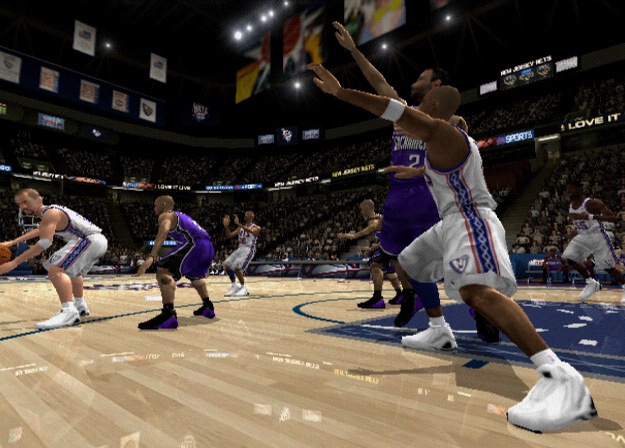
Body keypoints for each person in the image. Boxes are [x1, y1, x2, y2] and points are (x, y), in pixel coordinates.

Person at [307, 63, 597, 432]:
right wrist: (415, 173)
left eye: (421, 102)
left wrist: (341, 93)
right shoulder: (441, 144)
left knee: (476, 292)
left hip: (470, 218)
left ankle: (561, 378)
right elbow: (442, 171)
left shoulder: (439, 130)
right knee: (410, 260)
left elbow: (389, 108)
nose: (414, 106)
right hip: (450, 221)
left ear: (432, 108)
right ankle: (440, 331)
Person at [333, 21, 447, 327]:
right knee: (397, 255)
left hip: (430, 195)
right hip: (400, 195)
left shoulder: (447, 121)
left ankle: (480, 310)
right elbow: (377, 80)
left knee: (446, 259)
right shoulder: (401, 111)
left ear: (435, 85)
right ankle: (410, 296)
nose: (414, 81)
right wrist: (353, 50)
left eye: (421, 78)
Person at [0, 188, 107, 329]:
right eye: (19, 204)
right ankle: (79, 305)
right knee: (72, 272)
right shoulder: (49, 213)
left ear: (39, 199)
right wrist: (12, 242)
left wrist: (15, 262)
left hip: (89, 240)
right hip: (94, 241)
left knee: (56, 269)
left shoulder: (51, 213)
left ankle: (69, 312)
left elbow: (45, 242)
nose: (23, 206)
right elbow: (39, 230)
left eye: (25, 202)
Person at [135, 195, 215, 329]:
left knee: (164, 271)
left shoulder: (166, 215)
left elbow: (163, 231)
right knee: (194, 276)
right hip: (208, 247)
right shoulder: (182, 216)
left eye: (155, 205)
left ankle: (168, 314)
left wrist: (152, 256)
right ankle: (208, 306)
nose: (154, 209)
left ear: (163, 205)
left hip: (195, 245)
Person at [562, 178, 625, 301]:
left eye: (571, 188)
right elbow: (580, 225)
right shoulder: (571, 206)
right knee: (569, 258)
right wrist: (572, 235)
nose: (568, 191)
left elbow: (613, 218)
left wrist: (589, 216)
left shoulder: (591, 204)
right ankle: (591, 282)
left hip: (597, 236)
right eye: (567, 189)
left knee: (608, 267)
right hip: (582, 236)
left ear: (579, 189)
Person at [337, 199, 403, 307]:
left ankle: (377, 298)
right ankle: (400, 295)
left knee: (375, 267)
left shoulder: (374, 222)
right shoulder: (379, 218)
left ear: (367, 209)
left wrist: (345, 236)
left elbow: (356, 235)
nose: (361, 212)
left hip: (390, 246)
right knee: (388, 271)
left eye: (361, 209)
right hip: (393, 246)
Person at [223, 210, 260, 297]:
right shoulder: (240, 228)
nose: (245, 216)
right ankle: (234, 286)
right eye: (245, 214)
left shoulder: (257, 227)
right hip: (240, 248)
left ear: (252, 216)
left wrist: (239, 224)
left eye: (247, 214)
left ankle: (244, 288)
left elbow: (252, 231)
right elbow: (229, 235)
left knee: (237, 268)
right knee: (226, 264)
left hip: (248, 249)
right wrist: (226, 227)